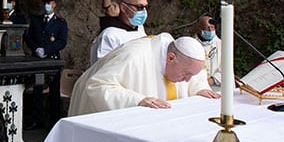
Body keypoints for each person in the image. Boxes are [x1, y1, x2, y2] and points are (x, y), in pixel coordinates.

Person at [69, 34, 220, 117]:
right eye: (186, 74)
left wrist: (198, 88)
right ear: (171, 58)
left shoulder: (183, 57)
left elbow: (196, 75)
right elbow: (97, 85)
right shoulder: (134, 56)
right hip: (90, 111)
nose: (187, 80)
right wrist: (138, 100)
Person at [23, 0, 68, 129]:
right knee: (37, 90)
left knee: (54, 92)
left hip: (52, 60)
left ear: (54, 4)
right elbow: (28, 37)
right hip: (38, 61)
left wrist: (47, 50)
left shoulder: (60, 22)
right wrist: (36, 48)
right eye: (45, 3)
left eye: (50, 3)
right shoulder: (36, 20)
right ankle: (37, 120)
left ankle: (54, 121)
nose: (47, 5)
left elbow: (62, 41)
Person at [89, 0, 148, 65]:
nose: (143, 11)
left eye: (145, 7)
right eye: (140, 7)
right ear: (123, 7)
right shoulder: (109, 35)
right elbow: (103, 69)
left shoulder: (139, 27)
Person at [194, 14, 222, 91]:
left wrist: (212, 80)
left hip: (219, 87)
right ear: (199, 29)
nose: (210, 30)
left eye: (212, 28)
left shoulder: (221, 44)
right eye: (207, 28)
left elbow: (227, 67)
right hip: (199, 87)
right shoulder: (192, 45)